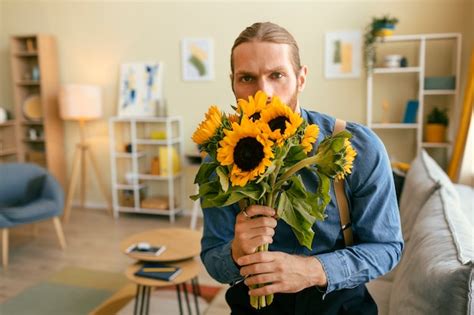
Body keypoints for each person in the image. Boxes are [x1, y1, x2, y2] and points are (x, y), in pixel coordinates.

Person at [200, 21, 403, 314]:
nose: (264, 92)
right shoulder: (217, 160)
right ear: (233, 83)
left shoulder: (358, 147)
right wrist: (234, 252)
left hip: (338, 305)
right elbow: (212, 259)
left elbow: (387, 247)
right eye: (247, 78)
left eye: (277, 75)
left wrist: (312, 270)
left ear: (301, 78)